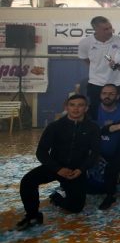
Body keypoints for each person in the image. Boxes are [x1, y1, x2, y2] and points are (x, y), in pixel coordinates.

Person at [16, 95, 100, 231]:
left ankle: (56, 197)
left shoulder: (93, 128)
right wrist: (58, 169)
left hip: (76, 171)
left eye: (80, 105)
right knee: (27, 181)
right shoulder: (55, 126)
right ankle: (32, 215)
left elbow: (95, 153)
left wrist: (81, 170)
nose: (76, 108)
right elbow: (41, 152)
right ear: (66, 107)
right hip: (55, 167)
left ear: (86, 108)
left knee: (76, 207)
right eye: (72, 105)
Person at [78, 16, 120, 119]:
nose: (110, 31)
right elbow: (86, 60)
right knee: (94, 113)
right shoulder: (85, 43)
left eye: (110, 27)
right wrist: (98, 69)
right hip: (96, 84)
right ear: (96, 30)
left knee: (119, 112)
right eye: (105, 29)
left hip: (118, 83)